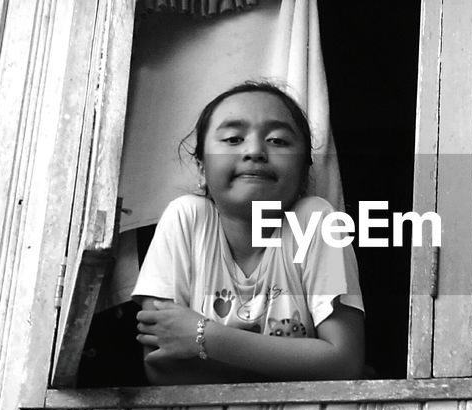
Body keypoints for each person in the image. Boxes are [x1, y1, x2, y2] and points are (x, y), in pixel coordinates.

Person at [133, 81, 365, 383]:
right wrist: (300, 362)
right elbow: (161, 368)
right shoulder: (187, 219)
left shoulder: (315, 221)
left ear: (304, 171)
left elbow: (345, 363)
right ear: (202, 168)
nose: (255, 151)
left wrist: (204, 336)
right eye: (232, 139)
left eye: (278, 141)